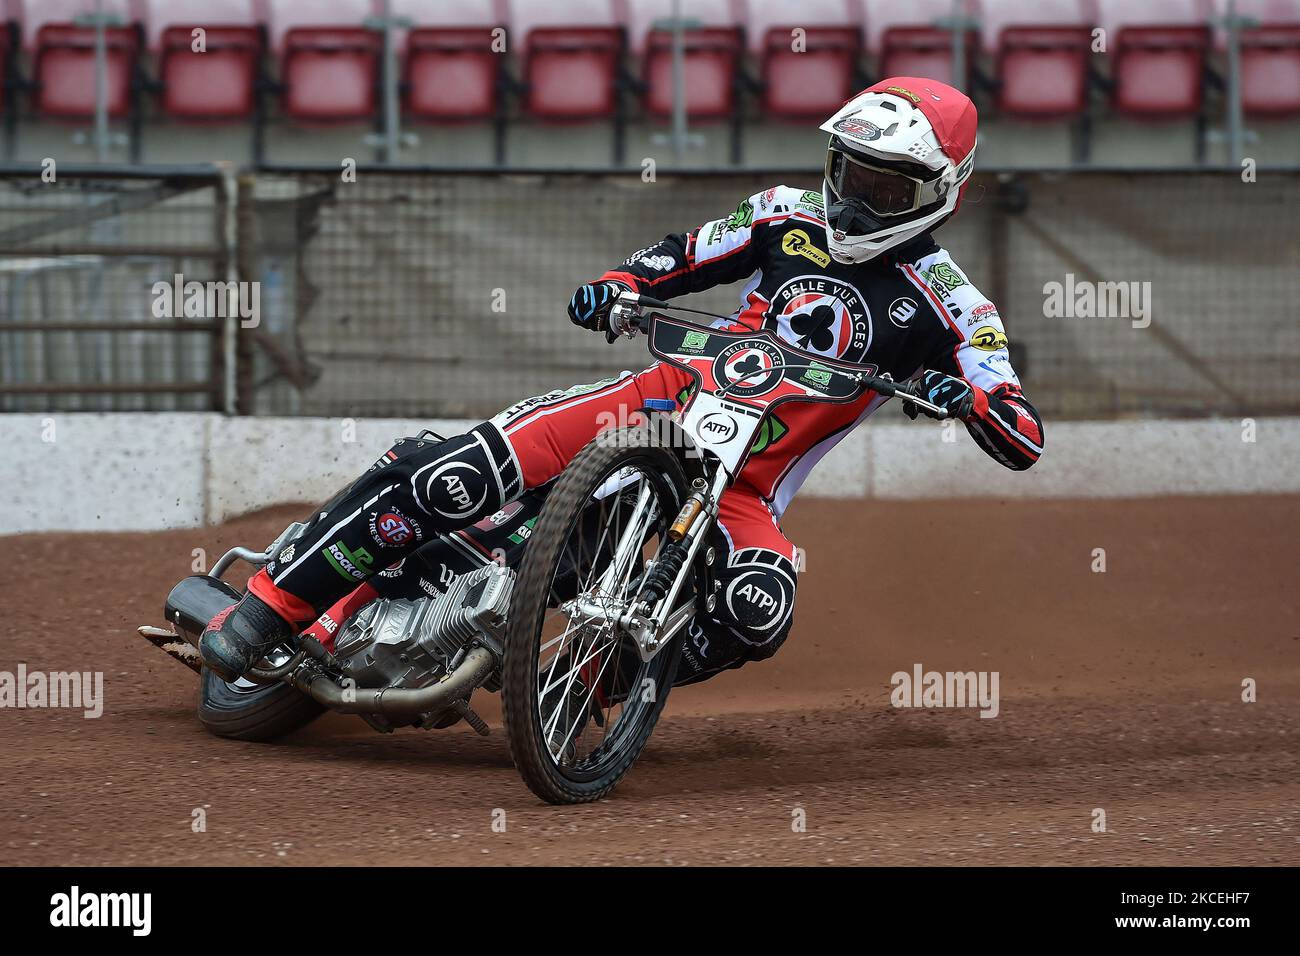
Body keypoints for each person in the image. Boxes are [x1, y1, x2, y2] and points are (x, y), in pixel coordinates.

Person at [200, 76, 1044, 688]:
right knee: (457, 473)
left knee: (758, 606)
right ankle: (266, 608)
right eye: (850, 171)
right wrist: (622, 285)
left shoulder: (956, 306)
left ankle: (581, 689)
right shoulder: (784, 211)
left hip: (744, 488)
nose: (855, 199)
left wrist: (972, 400)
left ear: (941, 193)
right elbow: (687, 251)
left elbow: (1023, 429)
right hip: (655, 403)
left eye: (883, 186)